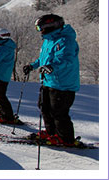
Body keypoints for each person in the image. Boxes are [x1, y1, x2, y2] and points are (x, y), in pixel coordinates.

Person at [23, 14, 79, 146]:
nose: (39, 31)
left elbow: (66, 60)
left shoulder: (65, 40)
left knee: (58, 112)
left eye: (40, 28)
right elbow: (44, 59)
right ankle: (51, 132)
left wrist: (52, 67)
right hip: (49, 81)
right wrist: (32, 66)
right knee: (44, 107)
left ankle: (65, 138)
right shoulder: (49, 40)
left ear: (50, 26)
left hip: (63, 84)